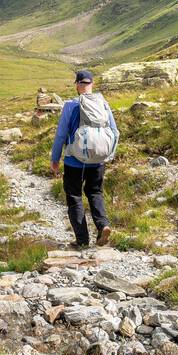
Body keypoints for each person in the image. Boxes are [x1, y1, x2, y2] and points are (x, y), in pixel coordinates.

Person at [50, 69, 119, 248]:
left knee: (74, 197)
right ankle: (103, 225)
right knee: (95, 193)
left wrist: (55, 159)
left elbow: (60, 135)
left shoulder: (71, 105)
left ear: (78, 85)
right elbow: (115, 132)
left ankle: (82, 240)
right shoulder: (103, 104)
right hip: (98, 160)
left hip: (74, 160)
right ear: (92, 84)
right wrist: (108, 154)